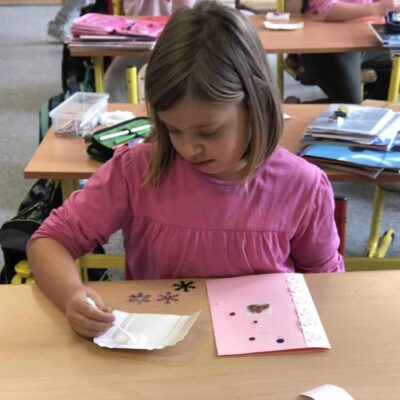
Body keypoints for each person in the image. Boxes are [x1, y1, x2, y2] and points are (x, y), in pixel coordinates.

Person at [27, 0, 344, 339]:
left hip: (264, 345)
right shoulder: (136, 171)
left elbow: (324, 282)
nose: (189, 148)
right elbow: (49, 241)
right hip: (160, 346)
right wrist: (72, 295)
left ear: (255, 105)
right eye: (173, 130)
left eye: (208, 132)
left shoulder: (303, 185)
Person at [299, 0, 400, 103]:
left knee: (362, 107)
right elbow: (329, 11)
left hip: (369, 37)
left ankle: (370, 107)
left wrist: (392, 5)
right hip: (329, 44)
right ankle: (298, 108)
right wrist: (378, 7)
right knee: (352, 104)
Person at [104, 0, 198, 102]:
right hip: (142, 37)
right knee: (115, 79)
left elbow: (186, 14)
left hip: (186, 37)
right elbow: (133, 14)